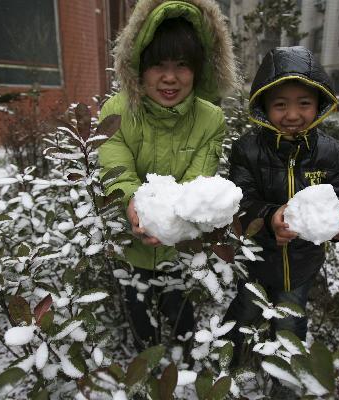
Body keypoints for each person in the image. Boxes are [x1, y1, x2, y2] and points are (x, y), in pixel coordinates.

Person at [98, 0, 239, 350]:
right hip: (131, 247)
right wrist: (132, 205)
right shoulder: (117, 112)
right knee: (138, 312)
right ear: (138, 67)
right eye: (158, 65)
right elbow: (116, 168)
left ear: (199, 68)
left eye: (182, 65)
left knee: (180, 313)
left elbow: (197, 181)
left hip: (180, 249)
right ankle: (147, 365)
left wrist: (173, 224)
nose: (170, 77)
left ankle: (185, 363)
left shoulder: (210, 120)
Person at [223, 46, 339, 360]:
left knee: (290, 317)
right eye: (280, 104)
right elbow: (240, 199)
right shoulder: (247, 150)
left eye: (304, 103)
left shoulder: (331, 152)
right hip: (257, 257)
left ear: (319, 104)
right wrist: (270, 218)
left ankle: (286, 372)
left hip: (302, 261)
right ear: (263, 107)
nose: (293, 114)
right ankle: (228, 358)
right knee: (245, 309)